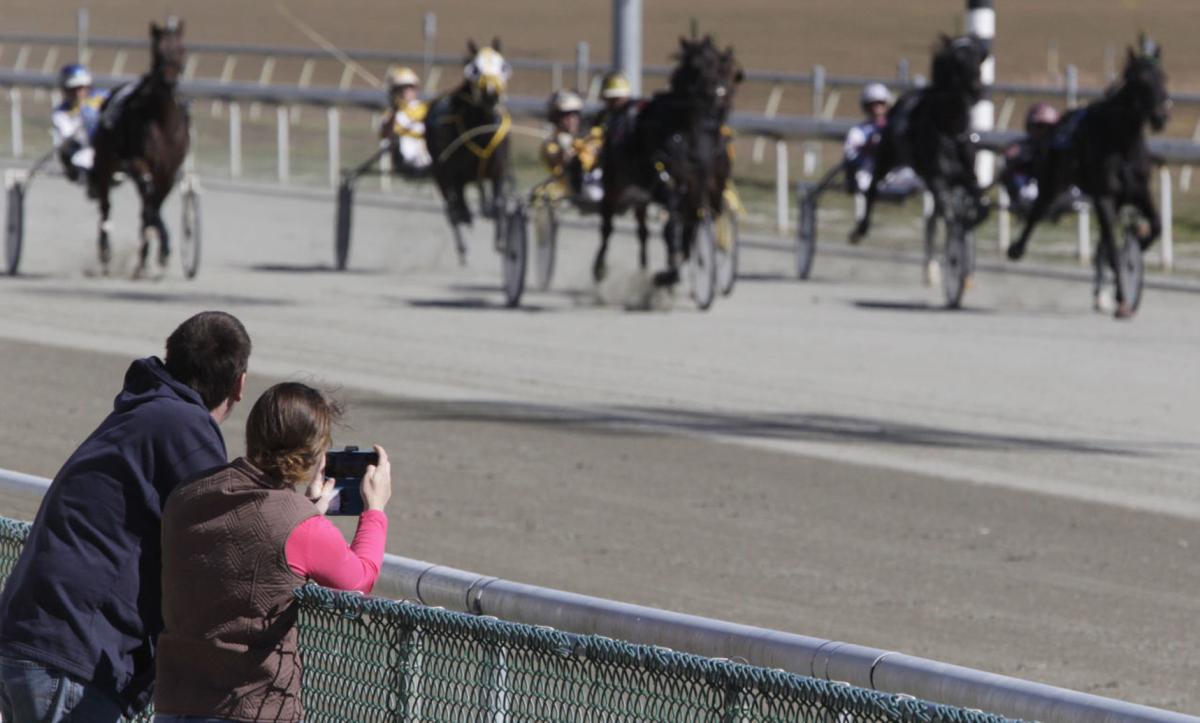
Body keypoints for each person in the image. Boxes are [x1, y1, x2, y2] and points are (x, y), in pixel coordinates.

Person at [0, 311, 251, 723]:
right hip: (72, 656)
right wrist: (303, 516)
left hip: (32, 640)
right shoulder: (185, 428)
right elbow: (228, 541)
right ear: (239, 385)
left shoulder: (139, 412)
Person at [152, 382, 392, 723]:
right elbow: (359, 580)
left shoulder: (187, 494)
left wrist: (303, 511)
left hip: (173, 704)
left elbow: (250, 535)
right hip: (250, 708)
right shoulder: (297, 524)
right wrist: (375, 510)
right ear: (314, 454)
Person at [843, 82, 921, 198]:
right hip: (868, 172)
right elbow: (850, 155)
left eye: (881, 103)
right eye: (873, 104)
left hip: (894, 173)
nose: (877, 107)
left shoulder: (895, 129)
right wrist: (867, 149)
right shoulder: (857, 132)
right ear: (866, 106)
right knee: (862, 181)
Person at [1001, 102, 1066, 218]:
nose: (1042, 131)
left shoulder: (1059, 148)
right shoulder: (1020, 146)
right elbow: (1009, 163)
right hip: (1027, 188)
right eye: (1038, 126)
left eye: (1047, 127)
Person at [51, 63, 107, 183]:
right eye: (73, 89)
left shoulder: (102, 98)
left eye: (81, 88)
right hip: (83, 152)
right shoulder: (61, 114)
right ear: (64, 89)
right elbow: (70, 138)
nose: (78, 93)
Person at [379, 66, 431, 175]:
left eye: (409, 87)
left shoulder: (424, 108)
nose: (405, 91)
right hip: (406, 157)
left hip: (426, 151)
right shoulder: (393, 113)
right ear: (395, 91)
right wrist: (395, 112)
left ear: (415, 89)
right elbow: (384, 134)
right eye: (401, 88)